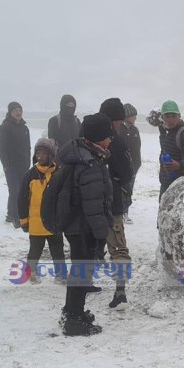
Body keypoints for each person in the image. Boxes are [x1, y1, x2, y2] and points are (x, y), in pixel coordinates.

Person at [56, 113, 114, 336]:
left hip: (76, 224)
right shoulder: (89, 163)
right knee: (82, 271)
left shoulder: (82, 154)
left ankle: (72, 311)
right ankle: (74, 320)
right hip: (83, 226)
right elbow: (93, 203)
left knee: (79, 271)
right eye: (107, 136)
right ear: (98, 138)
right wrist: (100, 235)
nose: (110, 139)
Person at [99, 98, 133, 309]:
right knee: (118, 247)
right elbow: (126, 172)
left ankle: (80, 286)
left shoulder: (83, 139)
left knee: (85, 246)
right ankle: (120, 291)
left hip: (86, 204)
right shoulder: (117, 141)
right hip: (112, 203)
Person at [18, 138, 66, 285]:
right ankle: (31, 273)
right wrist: (24, 220)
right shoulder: (31, 175)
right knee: (35, 250)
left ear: (51, 155)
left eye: (44, 154)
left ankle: (61, 274)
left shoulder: (59, 174)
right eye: (38, 153)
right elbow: (22, 199)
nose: (40, 157)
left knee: (58, 250)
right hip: (36, 222)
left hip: (54, 222)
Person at [152, 100, 184, 197]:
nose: (170, 120)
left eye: (174, 116)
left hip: (180, 188)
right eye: (167, 116)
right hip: (166, 184)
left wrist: (179, 165)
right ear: (162, 118)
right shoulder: (167, 133)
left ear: (179, 116)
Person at [0, 102, 31, 228]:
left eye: (20, 110)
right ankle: (14, 215)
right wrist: (6, 164)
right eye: (15, 110)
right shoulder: (5, 127)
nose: (18, 112)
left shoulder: (24, 128)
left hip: (24, 164)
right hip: (11, 165)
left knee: (22, 190)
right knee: (14, 190)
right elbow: (1, 148)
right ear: (10, 112)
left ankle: (14, 213)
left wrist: (28, 161)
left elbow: (28, 147)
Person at [120, 103, 142, 223]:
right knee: (121, 190)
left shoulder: (135, 130)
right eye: (133, 116)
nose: (135, 118)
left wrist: (137, 164)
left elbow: (137, 148)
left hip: (133, 166)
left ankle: (125, 212)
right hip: (121, 166)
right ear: (127, 116)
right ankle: (121, 212)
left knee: (129, 189)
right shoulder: (119, 130)